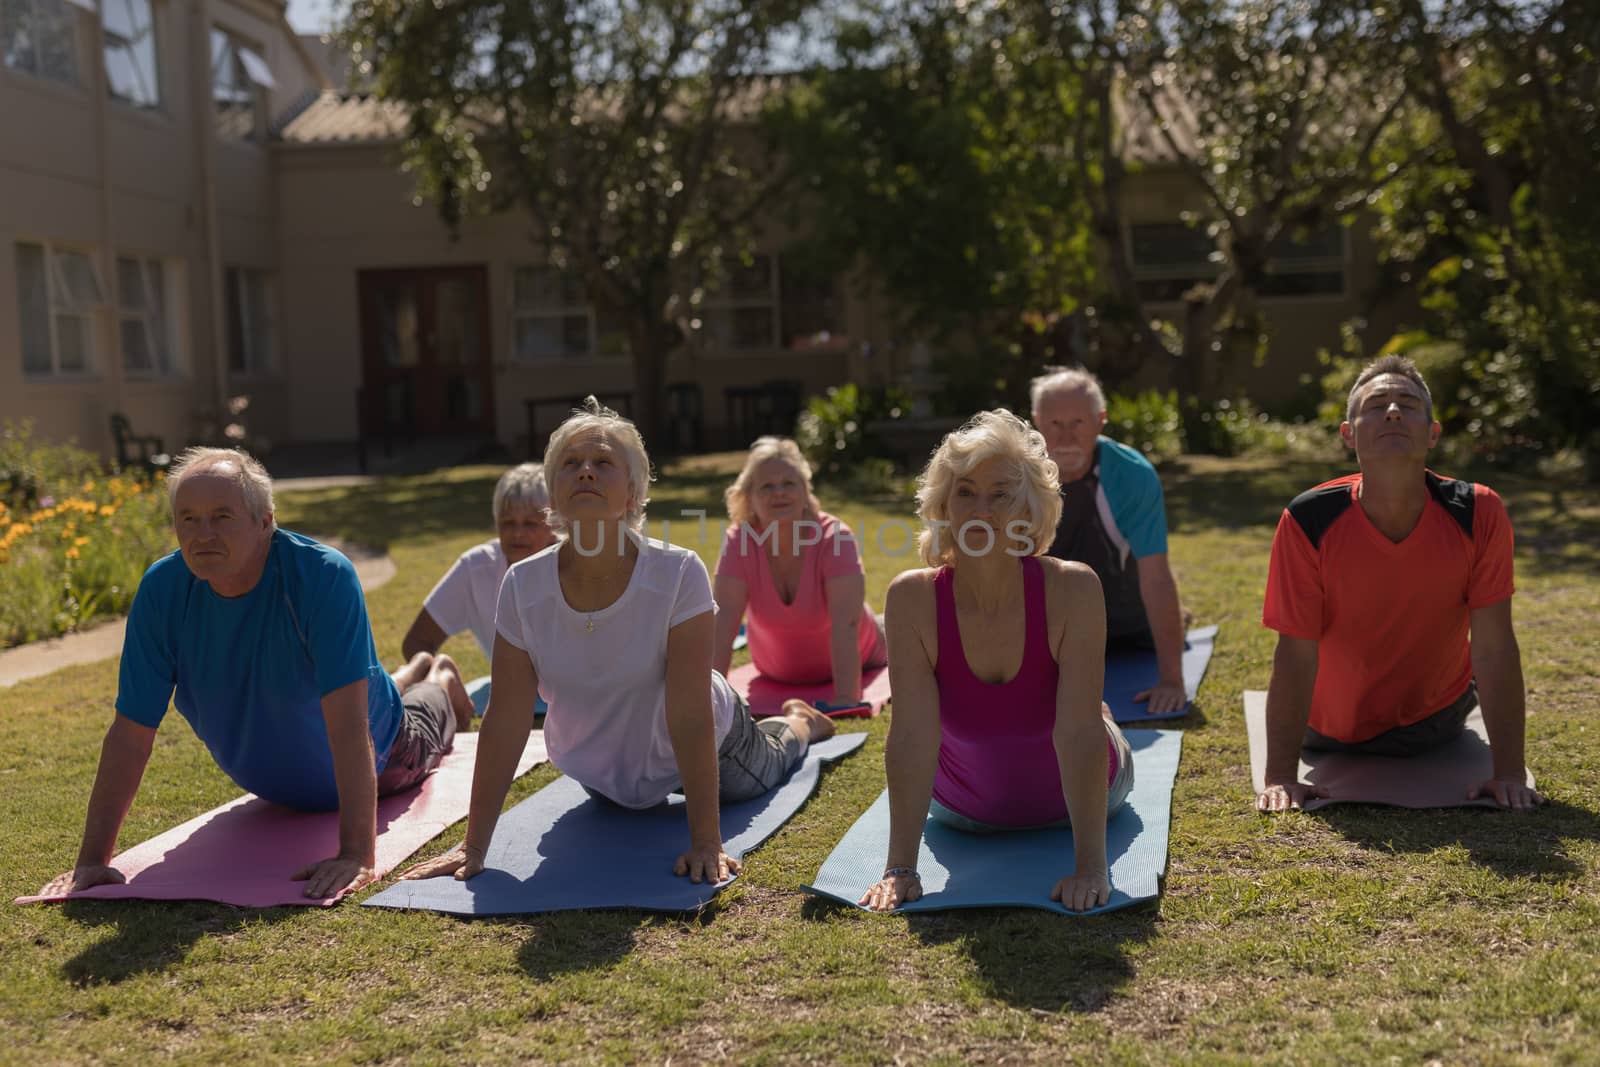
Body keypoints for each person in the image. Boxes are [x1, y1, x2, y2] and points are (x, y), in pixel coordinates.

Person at [401, 399, 837, 887]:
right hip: (603, 770)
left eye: (603, 462)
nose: (585, 471)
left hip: (710, 744)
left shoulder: (676, 572)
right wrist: (474, 844)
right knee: (627, 808)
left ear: (632, 494)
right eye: (571, 464)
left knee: (772, 761)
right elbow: (505, 714)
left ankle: (799, 722)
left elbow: (690, 712)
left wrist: (706, 842)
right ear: (554, 494)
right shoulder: (523, 585)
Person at [38, 448, 473, 901]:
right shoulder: (163, 591)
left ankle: (438, 676)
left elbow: (349, 725)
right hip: (292, 774)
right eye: (187, 519)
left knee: (419, 716)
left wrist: (357, 853)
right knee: (363, 686)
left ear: (266, 521)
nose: (202, 534)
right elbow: (130, 734)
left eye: (222, 516)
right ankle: (408, 673)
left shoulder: (323, 577)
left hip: (388, 760)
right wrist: (91, 860)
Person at [859, 410, 1135, 913]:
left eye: (1001, 493)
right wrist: (900, 867)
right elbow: (911, 735)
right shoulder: (912, 598)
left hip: (1092, 796)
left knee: (1088, 720)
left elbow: (1076, 737)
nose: (980, 510)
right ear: (944, 505)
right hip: (963, 811)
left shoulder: (1073, 588)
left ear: (1029, 507)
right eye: (965, 492)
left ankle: (1101, 711)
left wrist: (1092, 868)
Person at [1255, 355, 1545, 812]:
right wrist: (1279, 777)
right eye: (1376, 405)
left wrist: (1509, 773)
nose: (1392, 411)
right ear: (1348, 434)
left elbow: (1493, 646)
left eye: (1408, 404)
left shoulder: (1478, 512)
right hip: (1326, 733)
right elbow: (1294, 651)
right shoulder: (1307, 519)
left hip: (1432, 727)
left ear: (1432, 433)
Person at [1030, 367, 1188, 715]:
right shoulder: (1016, 478)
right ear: (1037, 421)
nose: (1067, 437)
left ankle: (1180, 619)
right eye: (1055, 424)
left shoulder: (1132, 475)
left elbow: (1156, 575)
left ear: (1100, 420)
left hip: (1126, 617)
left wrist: (1172, 681)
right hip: (1051, 625)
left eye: (1078, 423)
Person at [713, 437, 888, 709]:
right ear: (749, 498)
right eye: (767, 486)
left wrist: (846, 699)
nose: (779, 493)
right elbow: (723, 621)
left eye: (789, 484)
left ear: (805, 492)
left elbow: (847, 624)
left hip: (868, 650)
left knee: (904, 633)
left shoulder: (835, 537)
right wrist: (709, 701)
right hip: (775, 671)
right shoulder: (739, 540)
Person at [401, 463, 558, 660]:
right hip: (505, 688)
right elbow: (417, 642)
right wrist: (441, 680)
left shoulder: (578, 564)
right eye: (508, 522)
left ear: (555, 527)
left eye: (530, 523)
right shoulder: (476, 568)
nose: (518, 533)